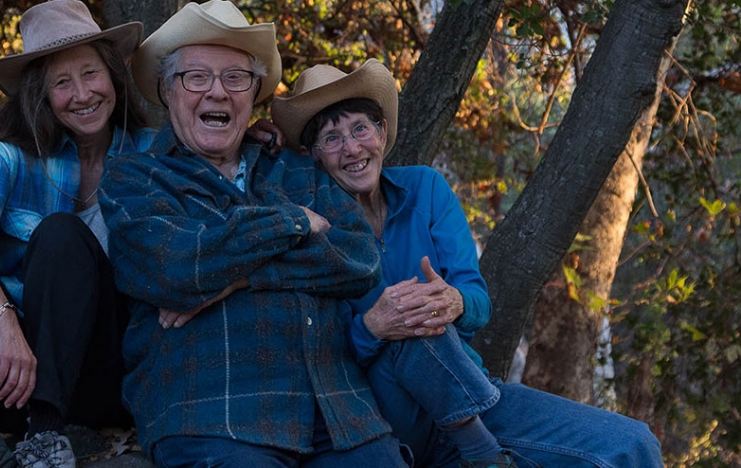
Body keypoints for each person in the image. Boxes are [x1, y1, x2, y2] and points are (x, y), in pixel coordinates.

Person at [271, 59, 665, 468]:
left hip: (473, 394)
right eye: (332, 139)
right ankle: (484, 455)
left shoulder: (426, 187)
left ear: (381, 132)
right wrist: (373, 327)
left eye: (359, 129)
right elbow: (314, 351)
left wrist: (456, 301)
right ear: (313, 156)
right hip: (380, 416)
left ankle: (479, 442)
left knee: (632, 443)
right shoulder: (313, 226)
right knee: (408, 314)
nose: (352, 148)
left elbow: (477, 299)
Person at [98, 0, 408, 468]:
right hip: (212, 412)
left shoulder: (299, 170)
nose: (217, 93)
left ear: (254, 93)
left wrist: (239, 276)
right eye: (197, 77)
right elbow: (179, 267)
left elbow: (360, 258)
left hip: (336, 410)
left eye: (235, 78)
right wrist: (294, 222)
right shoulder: (133, 178)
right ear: (167, 90)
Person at [0, 0, 153, 468]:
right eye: (62, 82)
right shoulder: (7, 157)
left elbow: (221, 162)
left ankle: (47, 439)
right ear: (40, 95)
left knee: (61, 234)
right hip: (16, 374)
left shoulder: (152, 152)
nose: (82, 94)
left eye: (90, 74)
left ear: (113, 77)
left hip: (106, 370)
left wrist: (265, 135)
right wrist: (3, 320)